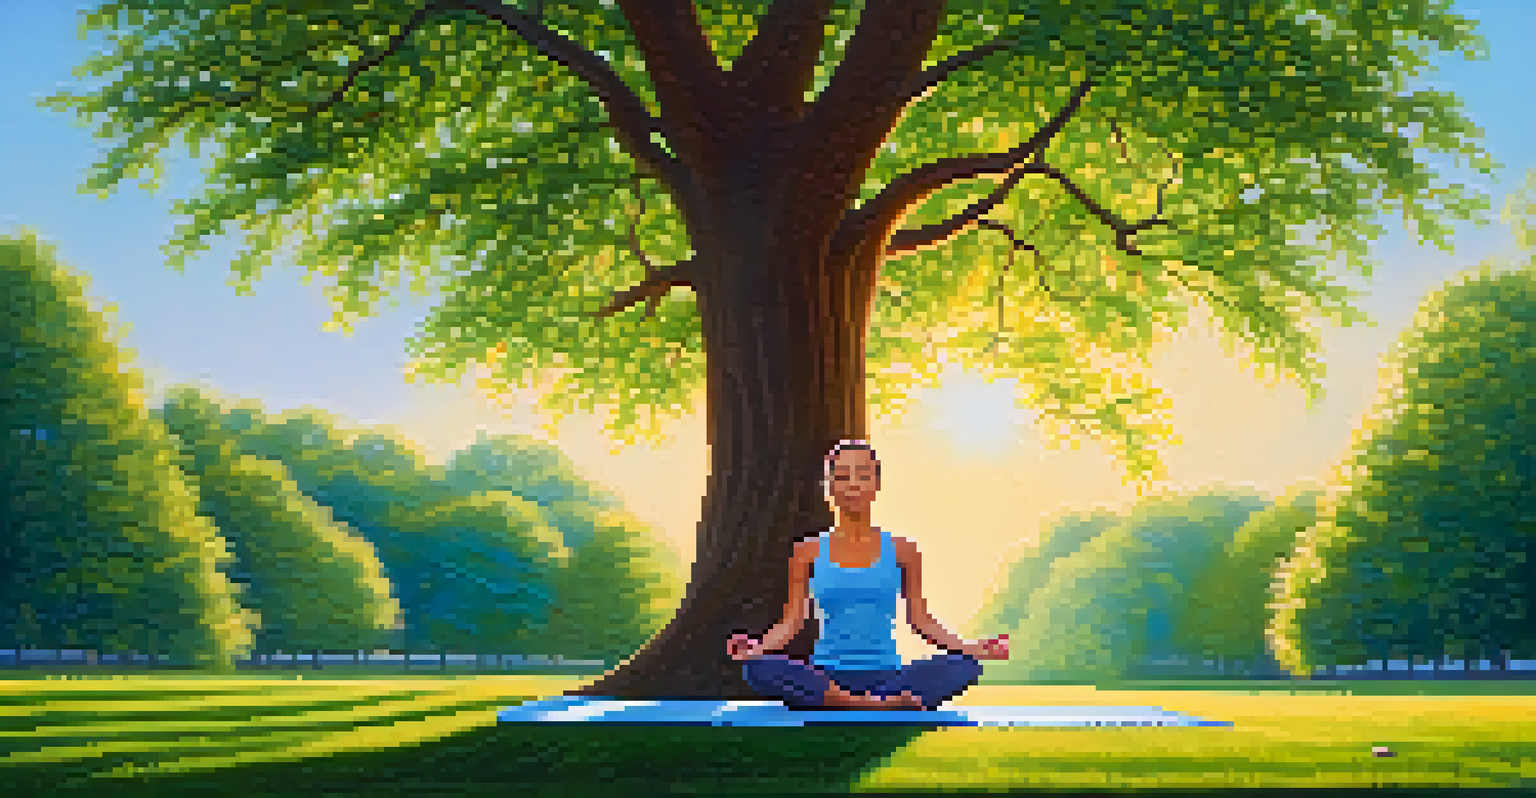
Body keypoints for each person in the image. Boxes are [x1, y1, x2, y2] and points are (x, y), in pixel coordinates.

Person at [727, 439, 1010, 710]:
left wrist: (971, 647)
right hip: (827, 676)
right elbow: (791, 622)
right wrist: (756, 648)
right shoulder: (807, 551)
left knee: (966, 666)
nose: (852, 484)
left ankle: (849, 703)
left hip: (888, 676)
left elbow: (920, 620)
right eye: (842, 476)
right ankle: (868, 705)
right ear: (829, 487)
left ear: (876, 485)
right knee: (758, 667)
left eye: (862, 475)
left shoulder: (903, 550)